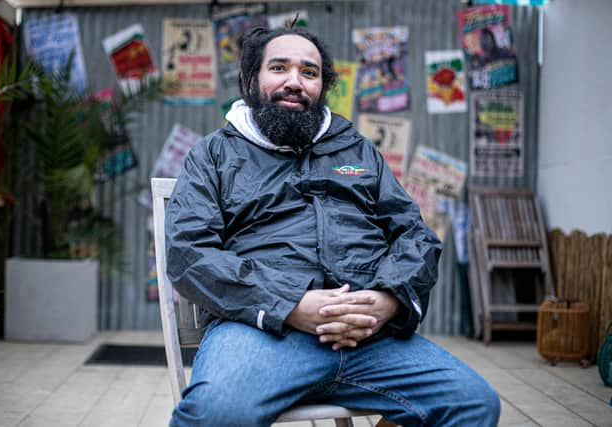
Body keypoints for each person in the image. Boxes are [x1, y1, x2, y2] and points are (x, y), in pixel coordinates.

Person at [165, 25, 500, 427]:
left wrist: (388, 300)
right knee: (216, 415)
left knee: (473, 403)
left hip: (367, 337)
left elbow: (415, 235)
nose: (295, 82)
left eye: (309, 72)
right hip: (264, 334)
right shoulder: (214, 155)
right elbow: (189, 253)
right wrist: (290, 305)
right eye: (279, 68)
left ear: (322, 86)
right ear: (252, 79)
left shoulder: (356, 150)